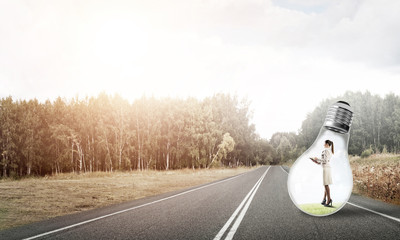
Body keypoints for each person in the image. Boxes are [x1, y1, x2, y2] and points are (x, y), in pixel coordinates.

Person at [311, 140, 334, 207]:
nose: (323, 144)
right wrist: (315, 161)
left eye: (324, 143)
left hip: (326, 168)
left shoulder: (326, 150)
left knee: (326, 184)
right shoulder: (329, 151)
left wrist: (317, 158)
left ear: (327, 144)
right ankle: (324, 199)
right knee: (326, 184)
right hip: (327, 167)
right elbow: (323, 161)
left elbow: (324, 160)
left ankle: (329, 200)